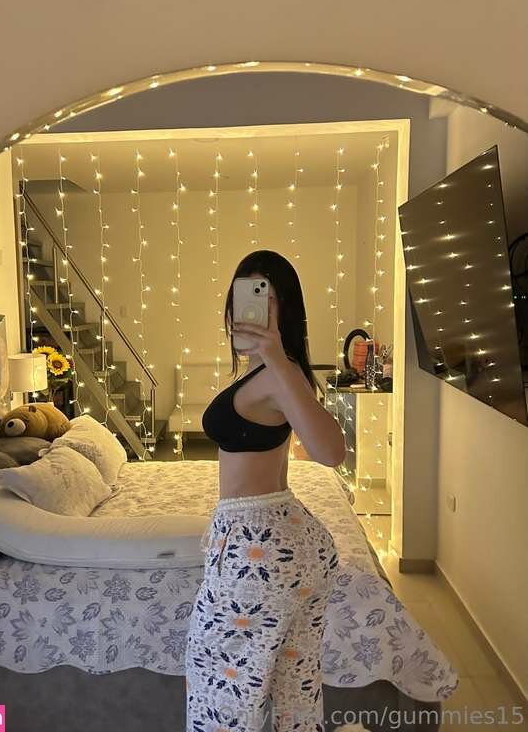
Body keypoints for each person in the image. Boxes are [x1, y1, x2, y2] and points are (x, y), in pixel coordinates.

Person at [185, 250, 345, 732]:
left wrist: (275, 356)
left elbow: (330, 451)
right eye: (247, 294)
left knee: (220, 689)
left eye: (268, 299)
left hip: (258, 552)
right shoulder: (271, 371)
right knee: (294, 691)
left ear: (286, 309)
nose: (253, 309)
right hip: (287, 542)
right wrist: (273, 359)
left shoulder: (279, 371)